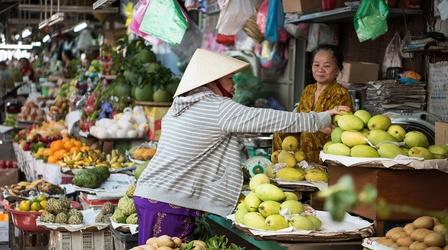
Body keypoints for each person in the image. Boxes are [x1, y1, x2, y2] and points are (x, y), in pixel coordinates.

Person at [134, 49, 350, 244]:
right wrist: (321, 118)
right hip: (167, 202)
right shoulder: (217, 107)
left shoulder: (183, 105)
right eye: (229, 79)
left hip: (154, 196)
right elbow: (267, 119)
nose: (234, 84)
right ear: (213, 81)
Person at [273, 45, 353, 163]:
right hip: (303, 130)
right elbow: (299, 116)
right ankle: (283, 168)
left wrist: (312, 124)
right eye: (316, 65)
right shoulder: (308, 89)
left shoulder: (341, 93)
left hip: (327, 140)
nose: (320, 69)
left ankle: (313, 171)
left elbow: (340, 131)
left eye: (327, 66)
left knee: (308, 133)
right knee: (279, 132)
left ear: (337, 70)